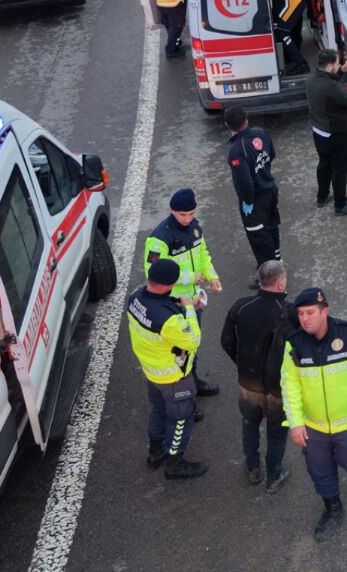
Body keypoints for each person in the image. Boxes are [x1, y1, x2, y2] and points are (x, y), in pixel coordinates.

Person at [280, 287, 347, 542]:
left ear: (324, 311)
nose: (305, 319)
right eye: (301, 313)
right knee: (319, 471)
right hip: (313, 427)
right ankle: (333, 509)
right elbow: (289, 384)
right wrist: (295, 423)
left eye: (310, 313)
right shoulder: (294, 344)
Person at [126, 259, 208, 479]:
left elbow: (156, 304)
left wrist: (176, 303)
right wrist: (190, 309)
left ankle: (155, 451)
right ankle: (175, 463)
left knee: (159, 410)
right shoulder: (169, 320)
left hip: (151, 371)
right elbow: (193, 339)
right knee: (181, 418)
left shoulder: (134, 298)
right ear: (170, 284)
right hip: (173, 377)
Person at [221, 260, 292, 492]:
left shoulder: (241, 306)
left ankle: (253, 468)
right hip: (277, 388)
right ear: (281, 282)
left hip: (248, 383)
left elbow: (227, 341)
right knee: (277, 431)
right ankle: (274, 474)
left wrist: (242, 364)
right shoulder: (288, 313)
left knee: (250, 424)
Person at [144, 188, 223, 397]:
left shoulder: (195, 228)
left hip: (193, 300)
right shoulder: (159, 239)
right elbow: (152, 272)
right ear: (171, 210)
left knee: (192, 346)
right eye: (182, 215)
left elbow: (203, 254)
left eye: (191, 213)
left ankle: (193, 383)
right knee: (178, 350)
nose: (187, 219)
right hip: (172, 303)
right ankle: (181, 394)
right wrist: (189, 277)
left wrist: (212, 276)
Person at [306, 48, 347, 217]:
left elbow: (329, 81)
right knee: (339, 170)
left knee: (324, 164)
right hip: (337, 135)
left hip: (319, 132)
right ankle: (341, 204)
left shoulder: (312, 79)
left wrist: (341, 71)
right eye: (338, 63)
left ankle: (322, 197)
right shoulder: (331, 87)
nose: (339, 65)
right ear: (330, 65)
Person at [226, 104, 281, 267]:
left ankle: (270, 272)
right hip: (270, 190)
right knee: (272, 226)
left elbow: (245, 182)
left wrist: (247, 202)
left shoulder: (236, 150)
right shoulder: (261, 133)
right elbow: (271, 154)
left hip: (256, 201)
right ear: (246, 119)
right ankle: (277, 260)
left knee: (259, 236)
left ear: (227, 124)